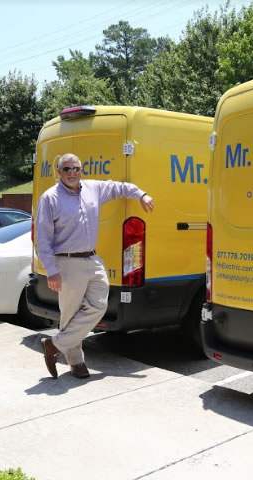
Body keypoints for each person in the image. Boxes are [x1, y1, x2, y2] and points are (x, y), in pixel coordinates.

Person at [35, 153, 154, 379]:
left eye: (76, 168)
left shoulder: (93, 188)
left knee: (99, 306)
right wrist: (51, 270)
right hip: (67, 262)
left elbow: (120, 188)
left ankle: (53, 345)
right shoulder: (50, 198)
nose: (72, 173)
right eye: (67, 169)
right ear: (59, 172)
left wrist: (141, 194)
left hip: (92, 259)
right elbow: (42, 239)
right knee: (69, 314)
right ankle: (76, 362)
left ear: (82, 170)